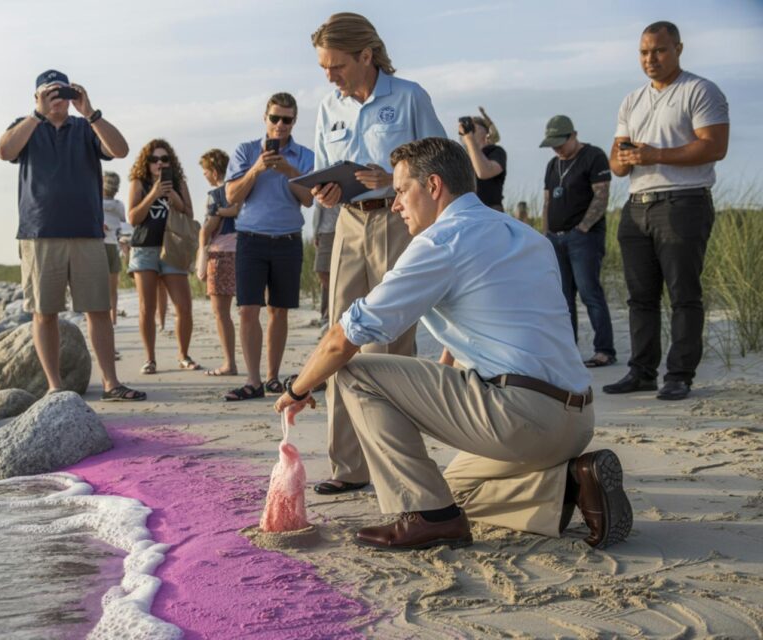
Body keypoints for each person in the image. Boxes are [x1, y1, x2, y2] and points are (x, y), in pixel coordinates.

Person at [275, 137, 632, 551]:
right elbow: (486, 330)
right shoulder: (524, 233)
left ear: (433, 186)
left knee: (355, 372)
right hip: (577, 420)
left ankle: (426, 517)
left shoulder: (440, 241)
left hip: (521, 417)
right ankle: (572, 483)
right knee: (453, 493)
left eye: (400, 191)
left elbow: (345, 337)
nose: (394, 204)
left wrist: (297, 389)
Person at [310, 12, 446, 494]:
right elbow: (325, 168)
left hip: (398, 220)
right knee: (341, 338)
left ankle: (392, 464)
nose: (329, 76)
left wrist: (392, 180)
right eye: (324, 66)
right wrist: (325, 190)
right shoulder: (328, 106)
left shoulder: (410, 97)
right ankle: (347, 468)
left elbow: (440, 162)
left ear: (366, 55)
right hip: (346, 222)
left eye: (336, 65)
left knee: (388, 346)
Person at [0, 69, 144, 401]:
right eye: (49, 93)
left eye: (62, 92)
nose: (57, 99)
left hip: (86, 232)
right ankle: (55, 386)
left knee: (98, 310)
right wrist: (37, 114)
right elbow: (4, 152)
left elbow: (120, 150)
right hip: (39, 233)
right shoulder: (26, 126)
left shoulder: (85, 127)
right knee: (44, 312)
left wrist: (90, 112)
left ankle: (111, 382)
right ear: (36, 96)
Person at [604, 21, 729, 401]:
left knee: (683, 294)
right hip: (637, 203)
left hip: (683, 201)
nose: (650, 59)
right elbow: (616, 159)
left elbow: (714, 147)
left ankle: (679, 375)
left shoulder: (699, 90)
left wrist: (653, 154)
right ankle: (642, 372)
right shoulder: (633, 99)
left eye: (658, 50)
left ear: (678, 48)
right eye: (643, 52)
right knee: (640, 297)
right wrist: (625, 160)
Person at [223, 93, 314, 401]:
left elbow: (309, 198)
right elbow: (232, 196)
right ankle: (253, 380)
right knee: (248, 309)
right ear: (265, 118)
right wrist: (256, 169)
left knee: (278, 311)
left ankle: (273, 377)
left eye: (286, 119)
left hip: (288, 239)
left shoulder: (303, 155)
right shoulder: (245, 151)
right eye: (274, 118)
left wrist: (289, 171)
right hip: (251, 239)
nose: (280, 125)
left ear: (294, 121)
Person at [540, 115, 616, 368]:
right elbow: (548, 200)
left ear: (573, 136)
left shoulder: (593, 156)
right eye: (553, 145)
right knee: (562, 298)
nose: (557, 149)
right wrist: (545, 234)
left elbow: (602, 195)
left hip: (583, 238)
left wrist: (583, 228)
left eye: (561, 143)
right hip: (556, 238)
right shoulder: (553, 164)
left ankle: (604, 350)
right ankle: (568, 350)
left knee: (589, 292)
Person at [126, 139, 201, 374]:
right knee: (146, 308)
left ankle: (183, 355)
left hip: (174, 247)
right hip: (144, 248)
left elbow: (189, 214)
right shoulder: (139, 183)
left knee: (184, 306)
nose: (159, 163)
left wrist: (173, 197)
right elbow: (133, 218)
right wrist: (154, 194)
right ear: (146, 163)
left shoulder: (178, 183)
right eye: (154, 159)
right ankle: (150, 359)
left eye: (164, 159)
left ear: (171, 162)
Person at [197, 149, 241, 377]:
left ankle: (229, 362)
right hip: (243, 250)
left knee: (221, 312)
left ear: (214, 171)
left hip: (221, 253)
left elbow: (207, 230)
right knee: (246, 311)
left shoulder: (216, 194)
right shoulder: (242, 190)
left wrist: (201, 259)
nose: (204, 175)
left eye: (205, 172)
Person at [458, 110, 507, 211]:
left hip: (491, 212)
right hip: (469, 212)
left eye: (474, 126)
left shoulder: (496, 151)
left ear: (486, 132)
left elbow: (483, 172)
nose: (471, 129)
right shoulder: (463, 158)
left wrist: (469, 137)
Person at [102, 171, 126, 326]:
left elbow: (123, 225)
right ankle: (105, 317)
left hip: (113, 246)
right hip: (99, 244)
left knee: (112, 287)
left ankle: (113, 318)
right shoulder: (95, 202)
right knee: (102, 286)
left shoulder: (118, 205)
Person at [312, 203, 340, 330]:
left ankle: (331, 314)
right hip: (327, 231)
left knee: (329, 275)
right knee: (324, 274)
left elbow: (318, 209)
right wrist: (316, 232)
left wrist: (315, 232)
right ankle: (327, 316)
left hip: (334, 230)